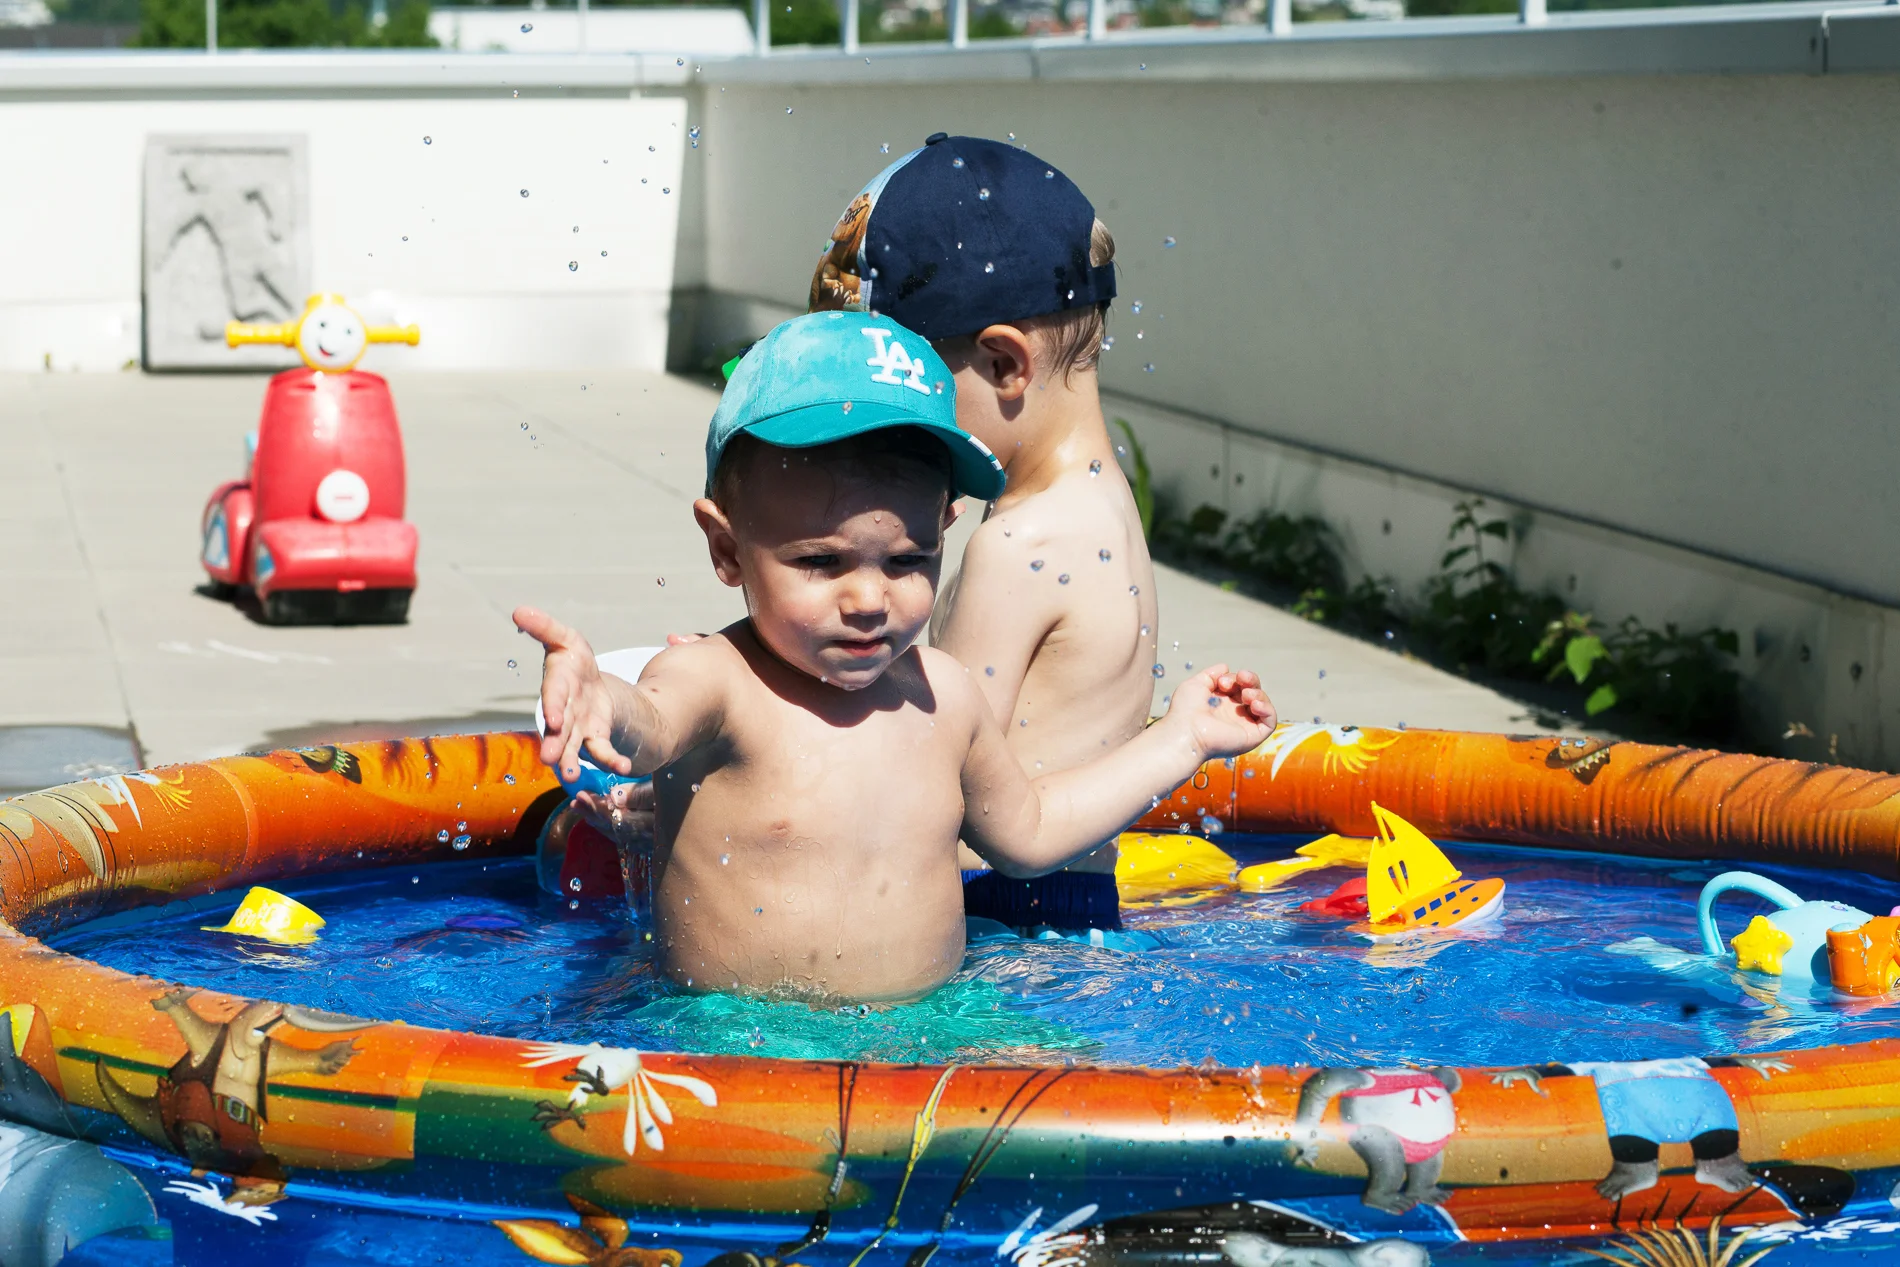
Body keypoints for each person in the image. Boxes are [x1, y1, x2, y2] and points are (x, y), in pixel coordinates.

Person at [514, 312, 1275, 1003]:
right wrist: (595, 698)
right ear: (726, 547)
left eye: (910, 559)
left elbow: (1030, 835)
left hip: (930, 1038)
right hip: (734, 1049)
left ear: (947, 525)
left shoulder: (944, 698)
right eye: (820, 561)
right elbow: (646, 722)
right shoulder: (717, 679)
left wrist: (1184, 739)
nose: (870, 599)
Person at [807, 133, 1154, 933]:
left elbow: (929, 776)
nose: (885, 428)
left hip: (998, 925)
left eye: (906, 387)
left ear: (1004, 365)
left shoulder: (1019, 548)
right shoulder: (1101, 504)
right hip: (1070, 915)